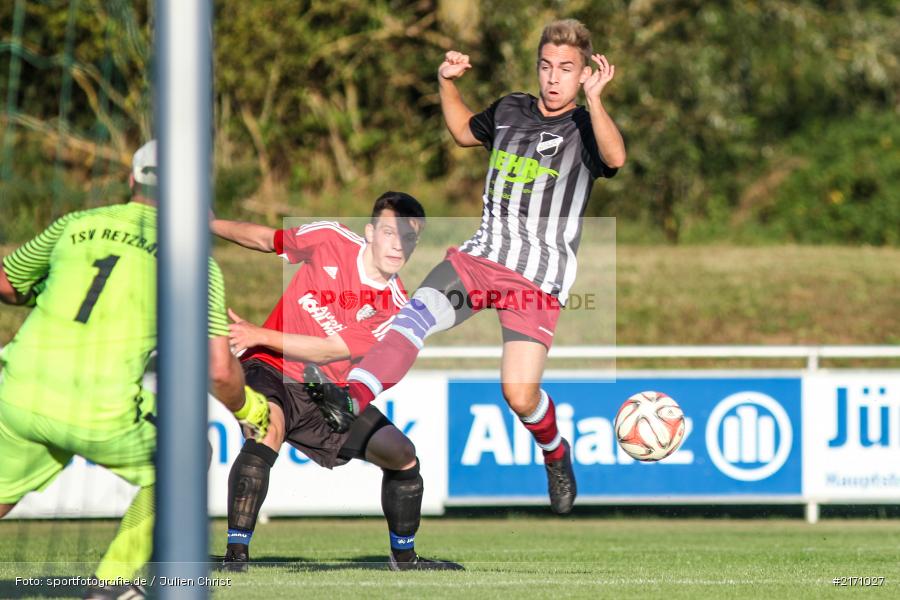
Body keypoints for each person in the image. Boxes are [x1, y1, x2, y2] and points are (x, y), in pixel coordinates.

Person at [306, 18, 626, 515]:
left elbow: (616, 157)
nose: (553, 77)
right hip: (478, 259)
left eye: (566, 68)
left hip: (536, 279)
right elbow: (460, 131)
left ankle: (554, 451)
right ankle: (352, 398)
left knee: (519, 395)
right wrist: (446, 82)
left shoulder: (585, 127)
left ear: (584, 73)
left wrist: (598, 101)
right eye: (546, 66)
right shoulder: (510, 109)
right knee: (413, 317)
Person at [0, 140, 270, 600]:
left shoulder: (74, 224)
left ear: (131, 180)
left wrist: (35, 292)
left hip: (17, 392)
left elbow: (8, 283)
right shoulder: (192, 262)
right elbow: (220, 371)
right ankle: (112, 587)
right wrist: (251, 409)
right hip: (99, 405)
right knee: (186, 458)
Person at [211, 191, 462, 571]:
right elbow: (265, 239)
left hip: (327, 395)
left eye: (409, 238)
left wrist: (258, 332)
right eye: (391, 233)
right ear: (370, 232)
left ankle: (405, 560)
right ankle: (235, 557)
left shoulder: (395, 305)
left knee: (402, 454)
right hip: (270, 367)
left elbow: (330, 350)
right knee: (267, 430)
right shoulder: (330, 238)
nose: (399, 245)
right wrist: (208, 224)